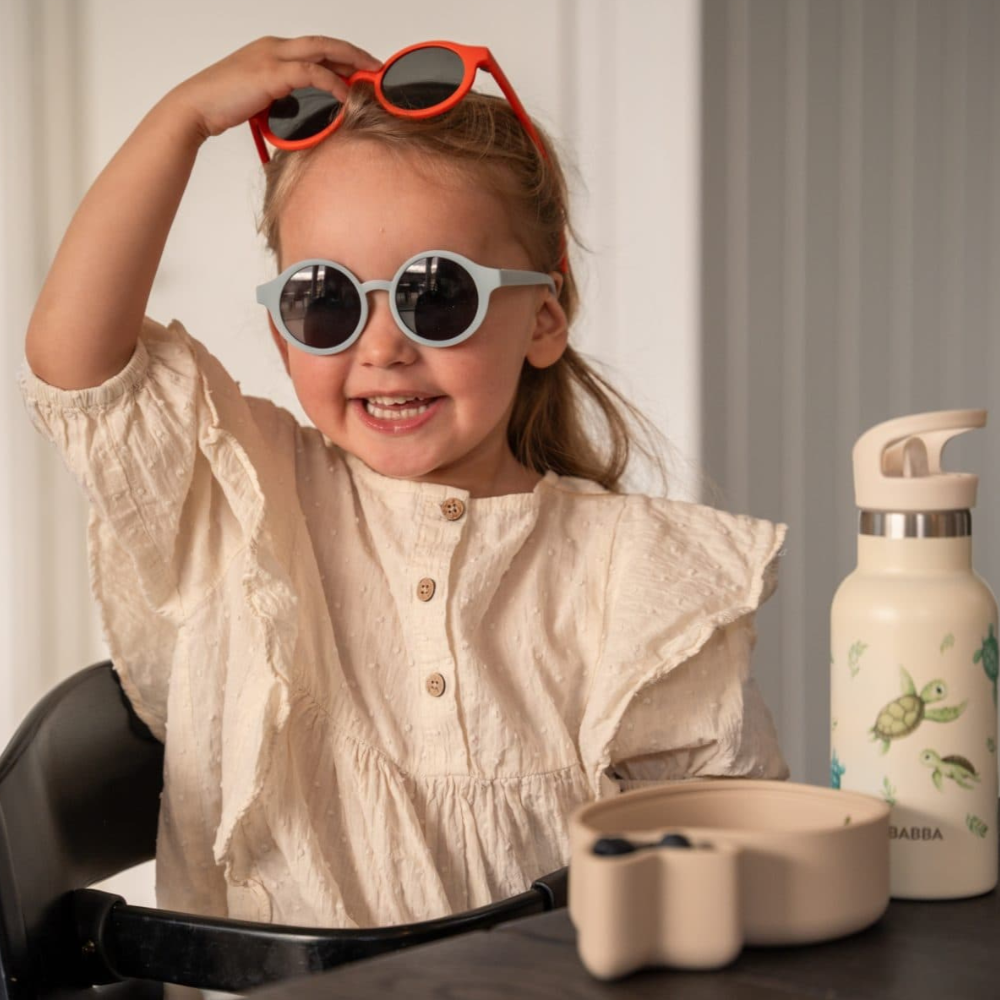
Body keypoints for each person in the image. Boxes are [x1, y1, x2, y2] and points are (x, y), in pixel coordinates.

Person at [19, 36, 788, 929]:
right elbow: (76, 364)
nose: (382, 346)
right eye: (325, 300)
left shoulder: (632, 577)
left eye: (437, 295)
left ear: (543, 319)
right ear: (282, 334)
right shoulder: (248, 500)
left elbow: (736, 859)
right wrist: (181, 120)